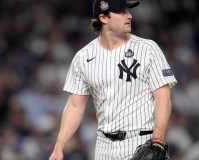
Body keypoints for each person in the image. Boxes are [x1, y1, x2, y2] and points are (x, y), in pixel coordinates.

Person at [49, 0, 177, 159]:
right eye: (121, 12)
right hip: (104, 148)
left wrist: (157, 139)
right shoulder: (83, 57)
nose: (129, 16)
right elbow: (75, 106)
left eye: (128, 11)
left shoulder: (148, 49)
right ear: (103, 18)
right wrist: (59, 147)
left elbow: (163, 97)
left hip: (142, 142)